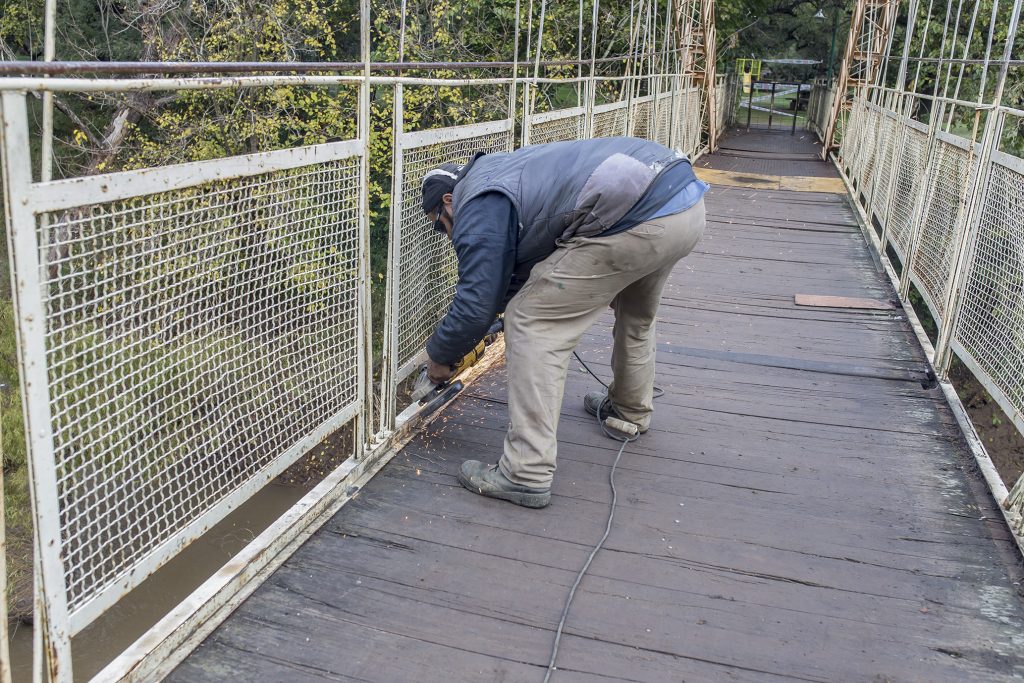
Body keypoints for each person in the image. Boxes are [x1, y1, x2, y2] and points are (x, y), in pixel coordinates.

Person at [420, 137, 707, 509]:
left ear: (447, 201)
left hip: (637, 218)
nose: (446, 234)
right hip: (682, 204)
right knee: (635, 313)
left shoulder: (475, 200)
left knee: (531, 322)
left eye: (440, 226)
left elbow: (477, 302)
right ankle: (628, 411)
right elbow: (512, 274)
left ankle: (525, 472)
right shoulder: (501, 172)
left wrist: (440, 357)